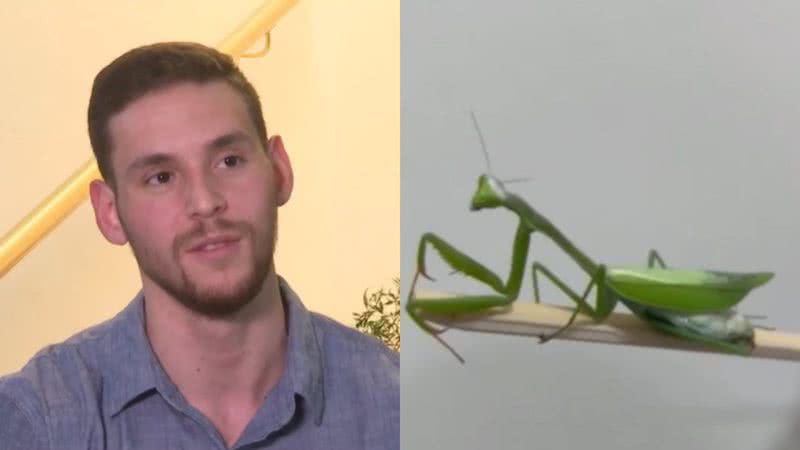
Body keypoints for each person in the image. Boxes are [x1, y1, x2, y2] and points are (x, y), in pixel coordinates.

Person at [0, 41, 399, 449]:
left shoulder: (399, 409)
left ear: (279, 169)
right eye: (161, 177)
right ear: (109, 212)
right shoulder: (35, 424)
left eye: (228, 161)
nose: (206, 202)